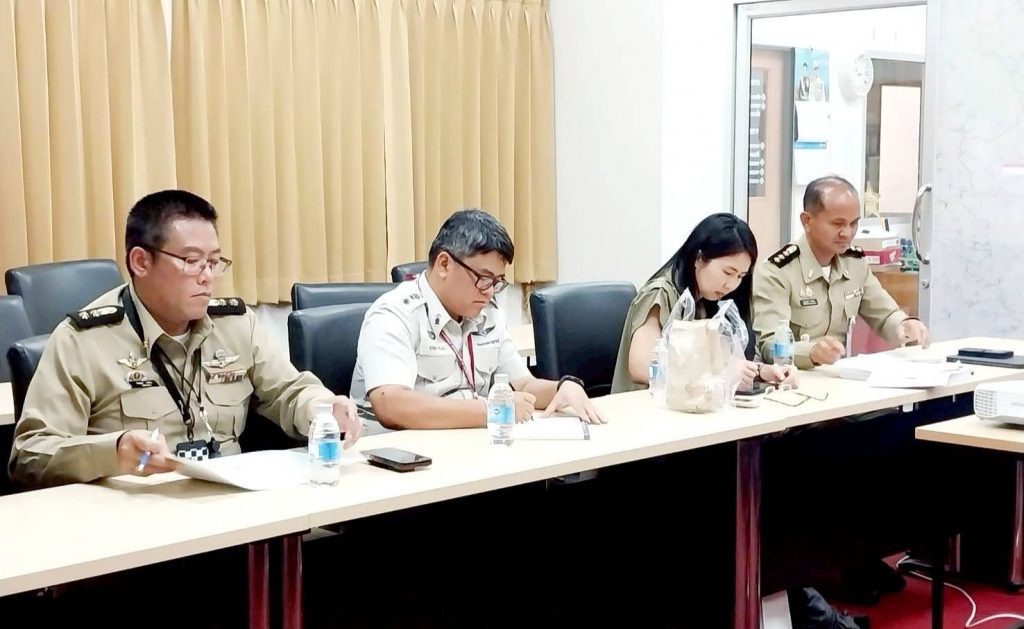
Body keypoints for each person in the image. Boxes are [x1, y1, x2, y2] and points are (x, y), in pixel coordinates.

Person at [9, 189, 362, 489]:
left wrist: (322, 409)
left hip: (232, 508)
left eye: (214, 262)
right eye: (192, 261)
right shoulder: (84, 340)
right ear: (140, 262)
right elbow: (30, 454)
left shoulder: (235, 325)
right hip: (135, 521)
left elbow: (289, 391)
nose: (207, 277)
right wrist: (113, 452)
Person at [350, 209, 606, 431]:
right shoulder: (394, 314)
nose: (490, 291)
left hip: (468, 446)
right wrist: (491, 410)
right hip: (401, 457)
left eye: (497, 282)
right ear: (444, 264)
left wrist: (562, 387)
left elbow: (522, 384)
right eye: (483, 278)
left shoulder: (487, 313)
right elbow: (392, 404)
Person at [753, 175, 929, 370]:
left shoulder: (854, 263)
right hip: (792, 379)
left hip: (838, 377)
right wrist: (811, 352)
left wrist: (904, 325)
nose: (847, 233)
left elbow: (885, 314)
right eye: (837, 224)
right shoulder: (776, 272)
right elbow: (769, 346)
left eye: (853, 223)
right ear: (807, 221)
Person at [611, 213, 798, 394]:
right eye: (727, 272)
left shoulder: (707, 300)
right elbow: (642, 366)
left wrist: (761, 372)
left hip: (693, 403)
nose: (731, 284)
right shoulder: (661, 293)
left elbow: (725, 360)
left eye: (740, 276)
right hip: (646, 406)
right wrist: (718, 373)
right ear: (699, 258)